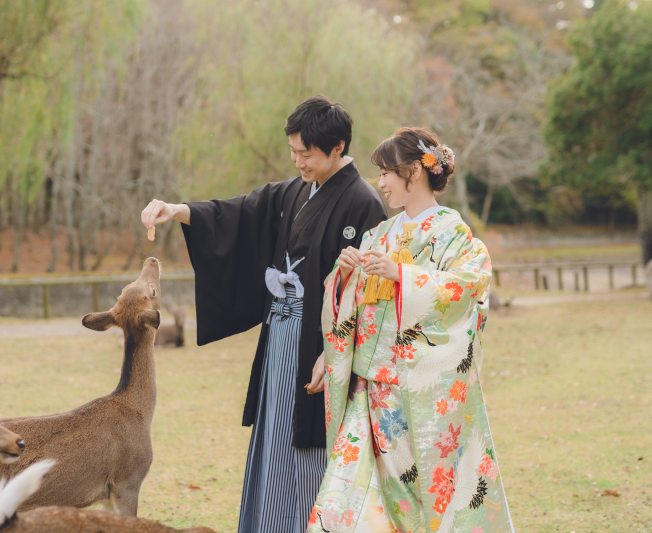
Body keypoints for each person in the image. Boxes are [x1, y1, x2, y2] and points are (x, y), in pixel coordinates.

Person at [141, 95, 387, 533]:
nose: (298, 162)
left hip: (322, 345)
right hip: (281, 335)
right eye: (293, 151)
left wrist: (333, 352)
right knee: (275, 432)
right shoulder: (294, 192)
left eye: (306, 153)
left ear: (338, 147)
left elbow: (369, 295)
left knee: (310, 443)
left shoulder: (363, 202)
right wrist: (175, 210)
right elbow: (238, 213)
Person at [308, 127, 514, 533]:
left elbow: (468, 288)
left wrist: (403, 275)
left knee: (415, 495)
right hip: (367, 388)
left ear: (414, 172)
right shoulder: (379, 234)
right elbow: (353, 307)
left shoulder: (451, 233)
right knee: (347, 492)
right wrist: (345, 276)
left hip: (415, 388)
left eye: (387, 172)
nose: (380, 182)